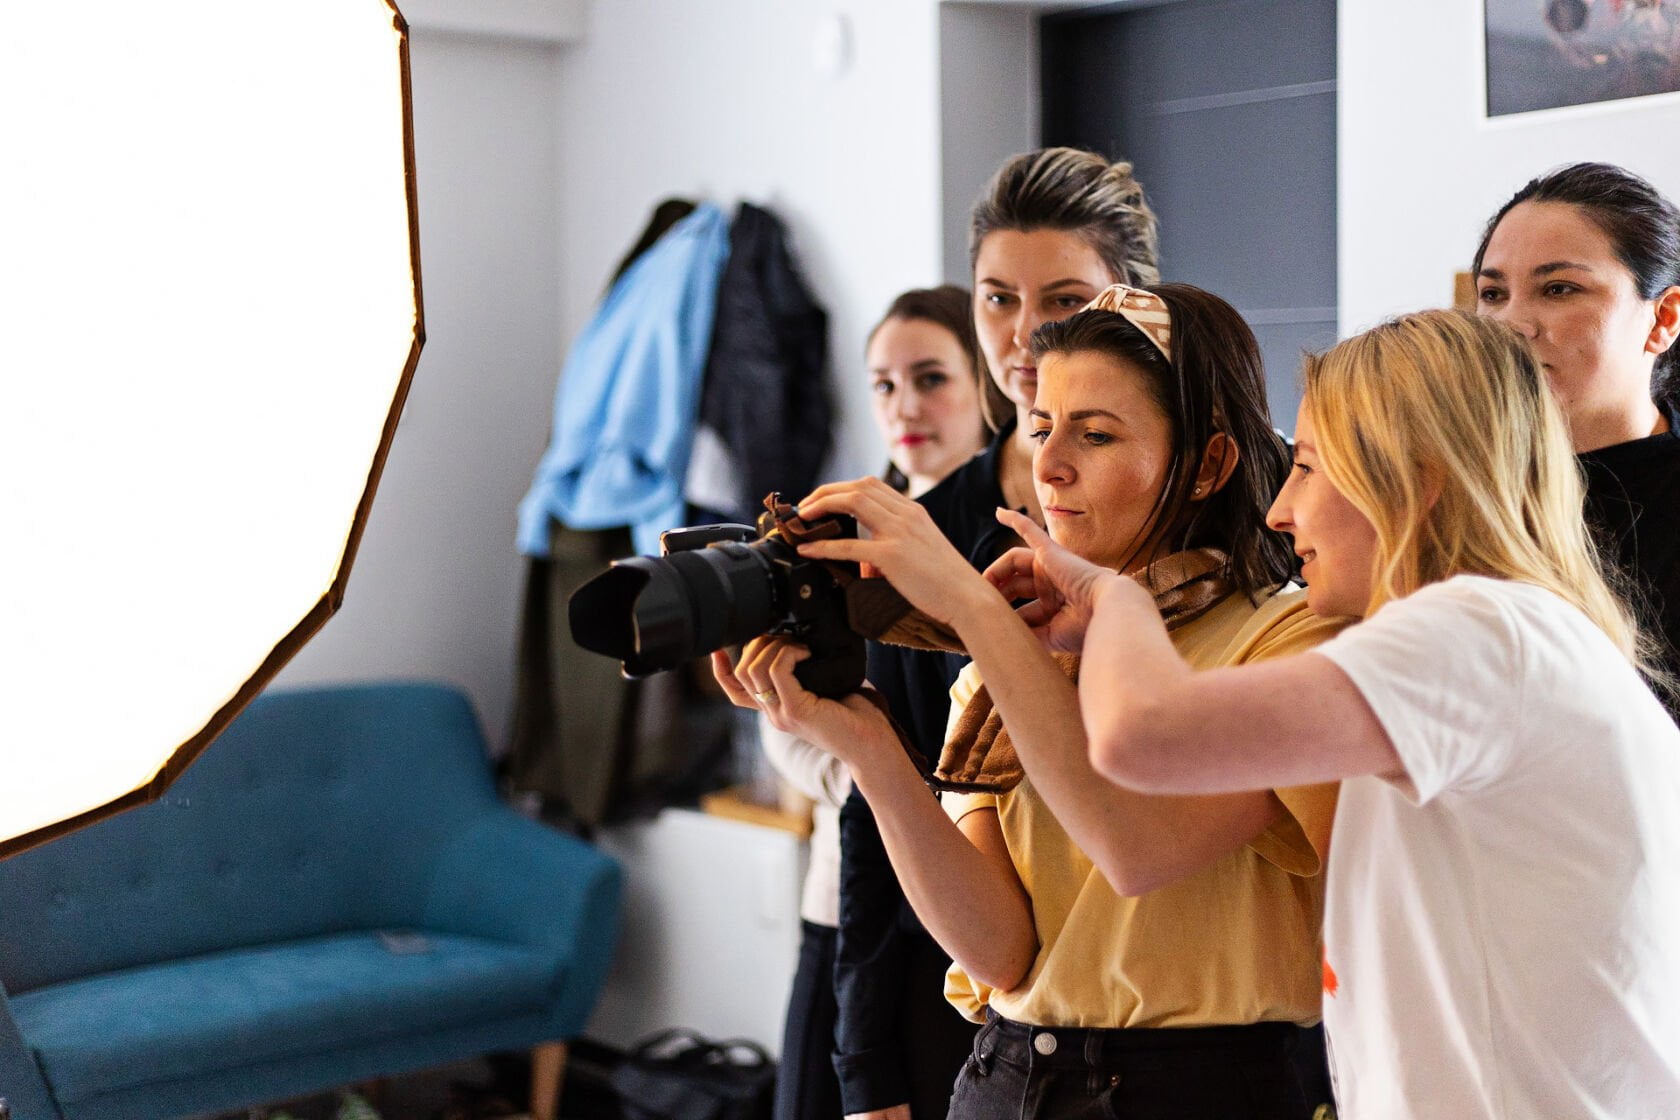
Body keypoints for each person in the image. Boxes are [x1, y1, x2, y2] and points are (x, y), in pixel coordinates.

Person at [718, 283, 1345, 1119]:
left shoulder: (1286, 643)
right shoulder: (1016, 654)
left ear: (1208, 465)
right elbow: (1000, 953)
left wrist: (974, 614)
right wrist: (866, 745)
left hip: (1202, 1089)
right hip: (1008, 1079)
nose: (1048, 466)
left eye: (1097, 434)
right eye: (1042, 427)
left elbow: (1136, 848)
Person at [1035, 310, 1680, 1116]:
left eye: (1308, 467)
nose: (1280, 510)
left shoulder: (1479, 631)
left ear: (1417, 477)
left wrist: (1112, 599)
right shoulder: (1511, 635)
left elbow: (1143, 736)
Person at [832, 147, 1164, 1120]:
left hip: (1164, 1000)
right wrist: (864, 1065)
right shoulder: (927, 528)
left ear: (1132, 304)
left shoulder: (1194, 527)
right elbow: (879, 799)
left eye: (1063, 298)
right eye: (996, 300)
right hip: (967, 989)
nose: (1024, 334)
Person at [764, 285, 987, 1120]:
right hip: (843, 907)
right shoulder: (830, 542)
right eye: (885, 385)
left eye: (931, 379)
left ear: (984, 384)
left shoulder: (994, 553)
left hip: (955, 923)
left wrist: (869, 761)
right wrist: (868, 766)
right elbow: (791, 735)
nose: (906, 406)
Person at [1472, 162, 1680, 723]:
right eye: (1493, 293)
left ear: (1663, 317)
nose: (1512, 323)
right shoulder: (1456, 491)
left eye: (1558, 289)